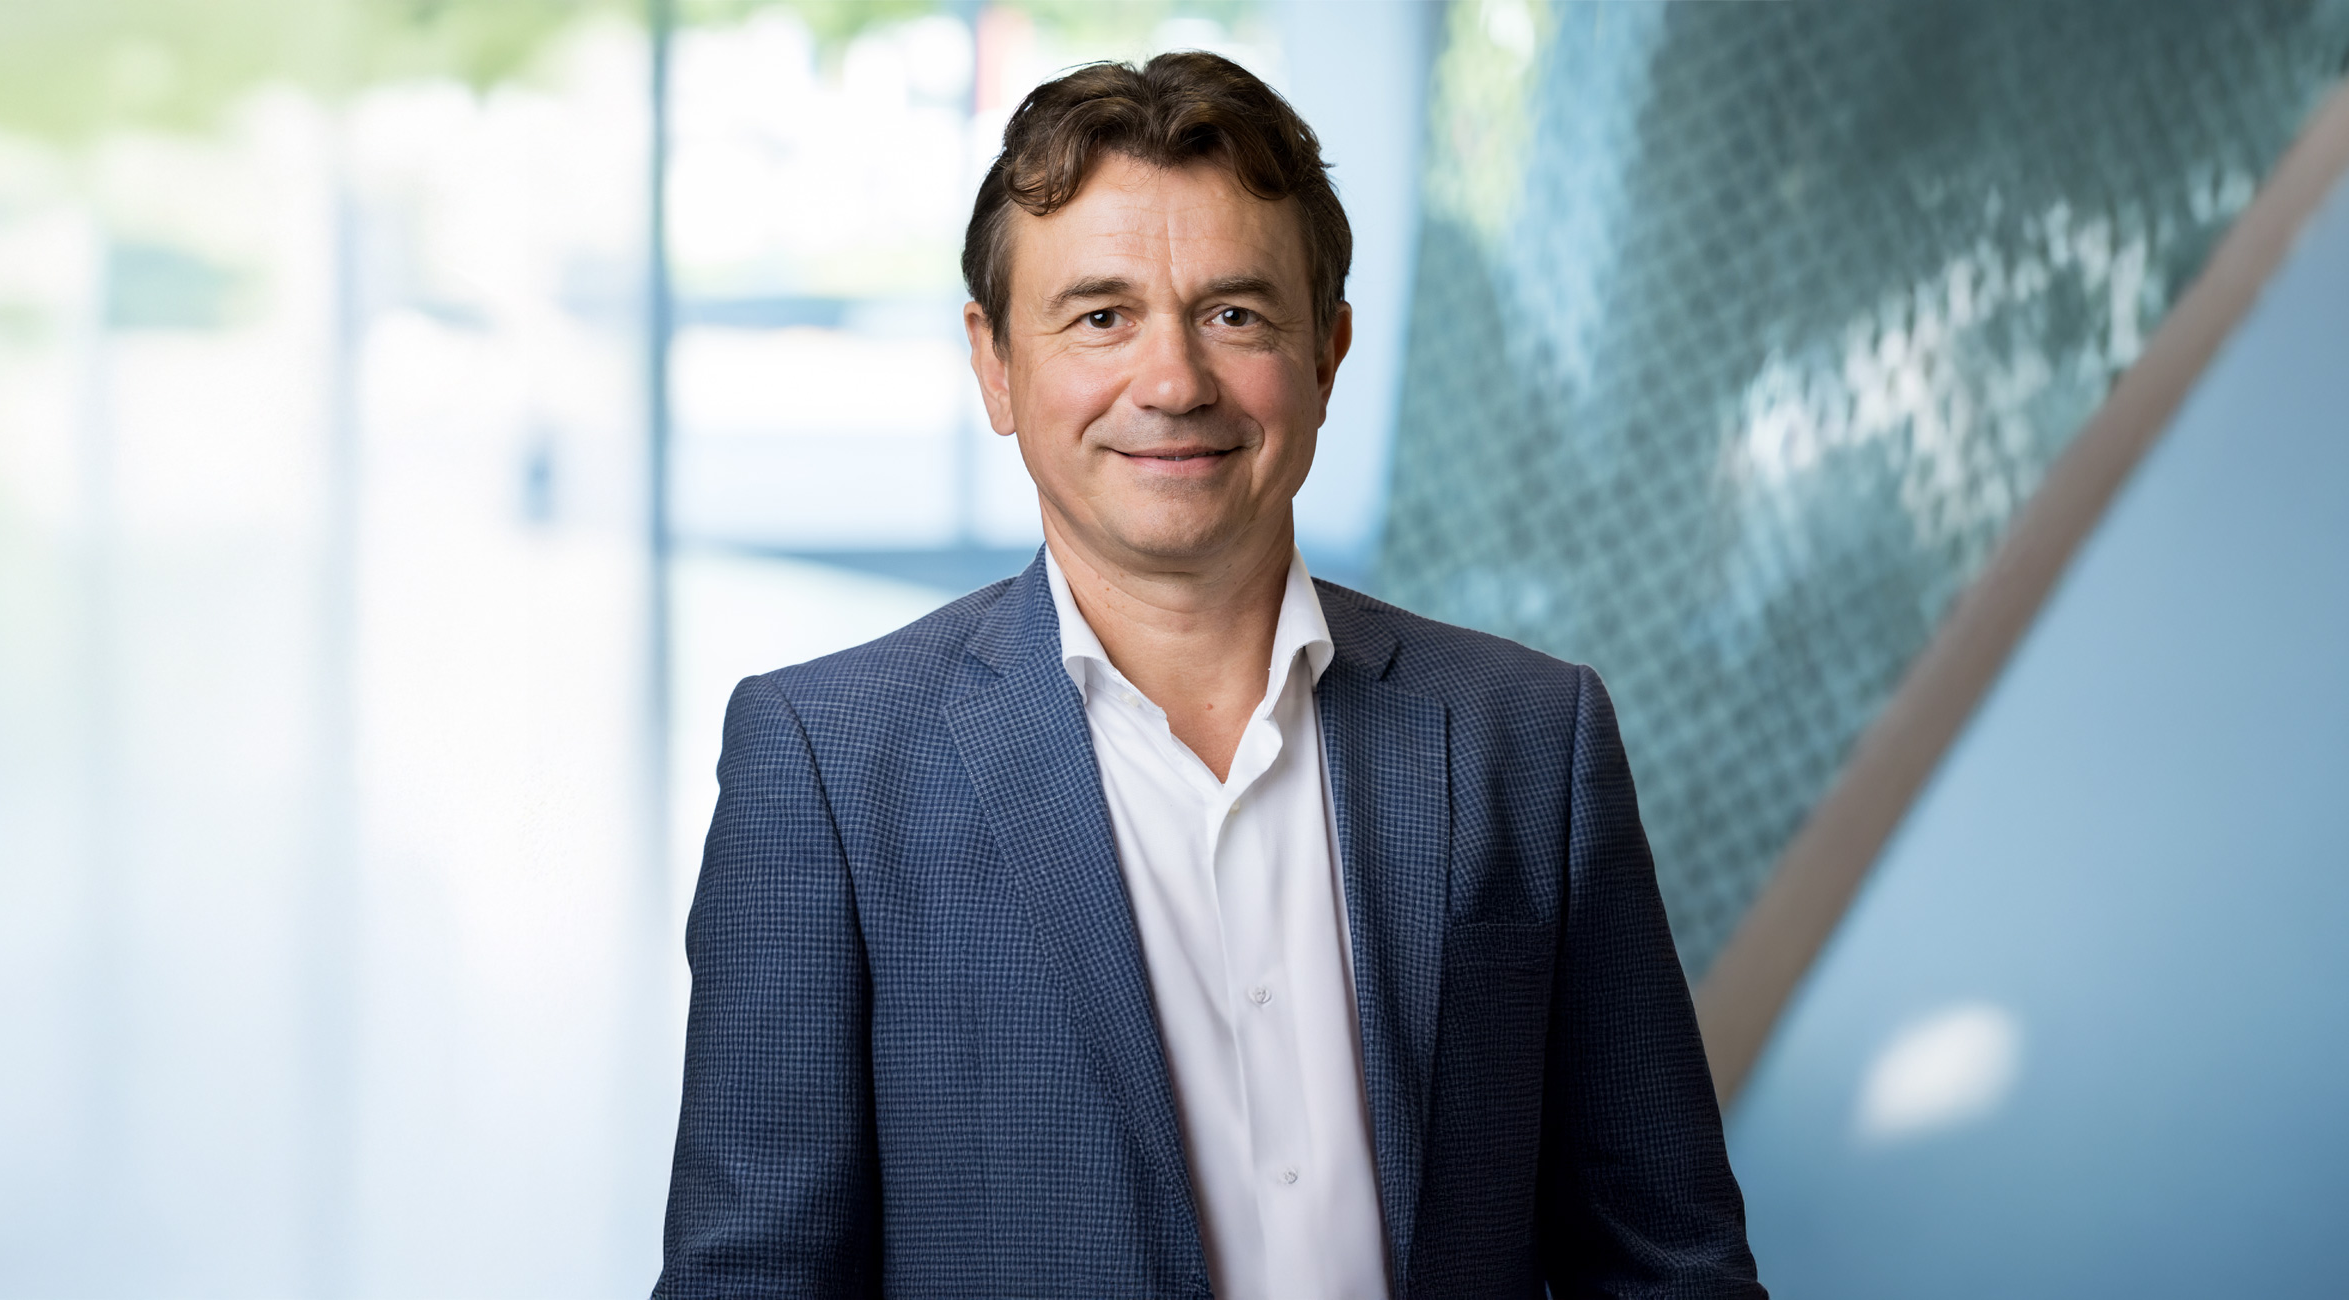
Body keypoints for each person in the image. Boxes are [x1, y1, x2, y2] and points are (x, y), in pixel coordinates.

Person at [653, 51, 1763, 1299]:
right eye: (1100, 316)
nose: (1174, 382)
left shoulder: (1529, 737)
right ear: (995, 364)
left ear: (1327, 352)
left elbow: (1669, 1266)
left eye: (1234, 314)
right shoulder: (825, 764)